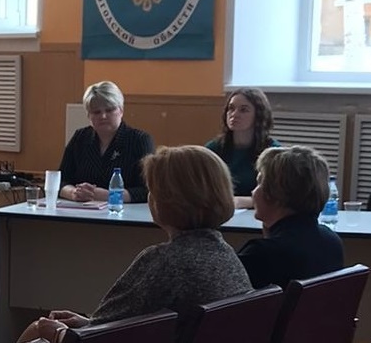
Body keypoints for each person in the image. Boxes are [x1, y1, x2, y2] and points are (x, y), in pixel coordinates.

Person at [17, 146, 252, 343]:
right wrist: (88, 322)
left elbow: (93, 338)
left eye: (153, 190)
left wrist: (57, 332)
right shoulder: (226, 255)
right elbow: (123, 323)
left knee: (38, 330)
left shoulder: (164, 261)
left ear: (166, 201)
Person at [237, 146, 344, 289]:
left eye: (259, 183)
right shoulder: (331, 241)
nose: (253, 191)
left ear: (276, 194)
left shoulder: (260, 254)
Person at [58, 81, 154, 203]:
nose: (103, 116)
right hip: (81, 208)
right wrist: (74, 193)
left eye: (109, 110)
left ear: (121, 111)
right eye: (96, 112)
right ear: (88, 115)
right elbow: (60, 181)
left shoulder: (140, 140)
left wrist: (109, 195)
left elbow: (148, 190)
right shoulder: (80, 138)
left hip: (123, 211)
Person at [205, 88, 279, 208]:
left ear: (258, 115)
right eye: (231, 108)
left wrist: (241, 201)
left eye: (243, 110)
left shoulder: (272, 152)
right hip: (219, 210)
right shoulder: (214, 148)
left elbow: (277, 197)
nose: (234, 114)